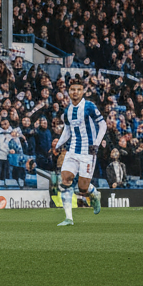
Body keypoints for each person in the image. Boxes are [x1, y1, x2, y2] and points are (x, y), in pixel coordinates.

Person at [53, 80, 105, 226]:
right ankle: (68, 218)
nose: (75, 92)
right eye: (72, 89)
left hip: (88, 152)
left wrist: (96, 143)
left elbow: (103, 125)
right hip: (72, 150)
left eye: (78, 89)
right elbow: (67, 130)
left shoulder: (89, 106)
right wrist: (58, 144)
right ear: (68, 91)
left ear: (83, 91)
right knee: (65, 179)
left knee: (82, 188)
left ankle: (94, 194)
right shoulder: (67, 110)